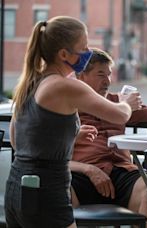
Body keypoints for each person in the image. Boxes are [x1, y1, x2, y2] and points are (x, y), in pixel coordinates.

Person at [5, 16, 139, 228]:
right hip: (47, 190)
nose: (87, 53)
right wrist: (126, 103)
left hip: (17, 187)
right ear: (64, 54)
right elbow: (119, 115)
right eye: (83, 47)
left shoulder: (30, 83)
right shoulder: (64, 85)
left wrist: (69, 136)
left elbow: (17, 140)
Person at [69, 48, 147, 223]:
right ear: (81, 76)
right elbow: (49, 153)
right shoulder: (67, 105)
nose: (107, 81)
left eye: (109, 74)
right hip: (83, 174)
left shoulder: (119, 102)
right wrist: (90, 170)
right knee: (59, 191)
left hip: (123, 173)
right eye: (101, 75)